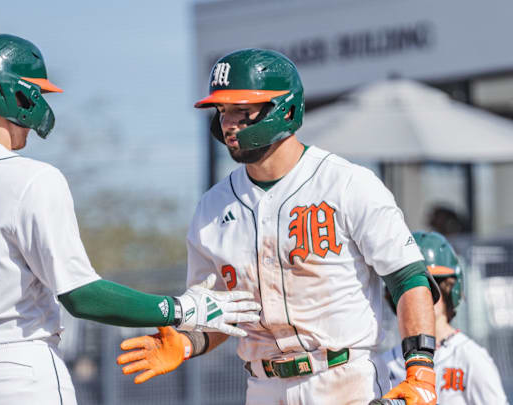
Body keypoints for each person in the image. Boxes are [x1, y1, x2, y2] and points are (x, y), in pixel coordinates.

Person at [0, 34, 261, 405]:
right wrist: (181, 308)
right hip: (16, 370)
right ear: (13, 94)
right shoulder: (31, 177)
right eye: (35, 92)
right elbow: (80, 294)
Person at [116, 48, 441, 405]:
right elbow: (219, 313)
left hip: (345, 379)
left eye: (242, 110)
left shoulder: (347, 184)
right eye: (222, 111)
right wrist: (186, 341)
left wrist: (421, 369)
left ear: (285, 109)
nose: (228, 123)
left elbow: (408, 278)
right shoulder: (211, 209)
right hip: (264, 386)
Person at [383, 231, 509, 404]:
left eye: (428, 289)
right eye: (409, 291)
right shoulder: (386, 362)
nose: (417, 298)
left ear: (449, 290)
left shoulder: (470, 357)